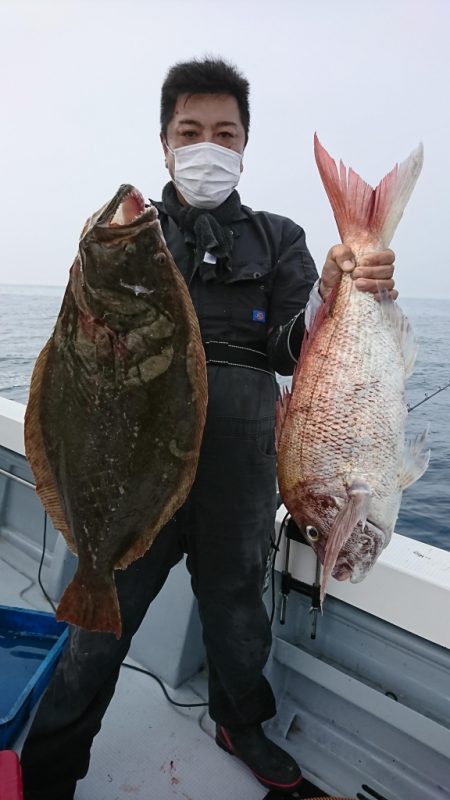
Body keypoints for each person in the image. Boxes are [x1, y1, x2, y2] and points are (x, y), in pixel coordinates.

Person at [20, 57, 396, 799]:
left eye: (225, 132)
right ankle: (49, 768)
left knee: (237, 618)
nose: (207, 145)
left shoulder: (279, 239)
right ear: (164, 142)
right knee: (98, 631)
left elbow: (294, 347)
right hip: (133, 473)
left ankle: (240, 722)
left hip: (238, 474)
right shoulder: (129, 234)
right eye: (190, 131)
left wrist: (336, 290)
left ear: (245, 146)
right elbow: (81, 358)